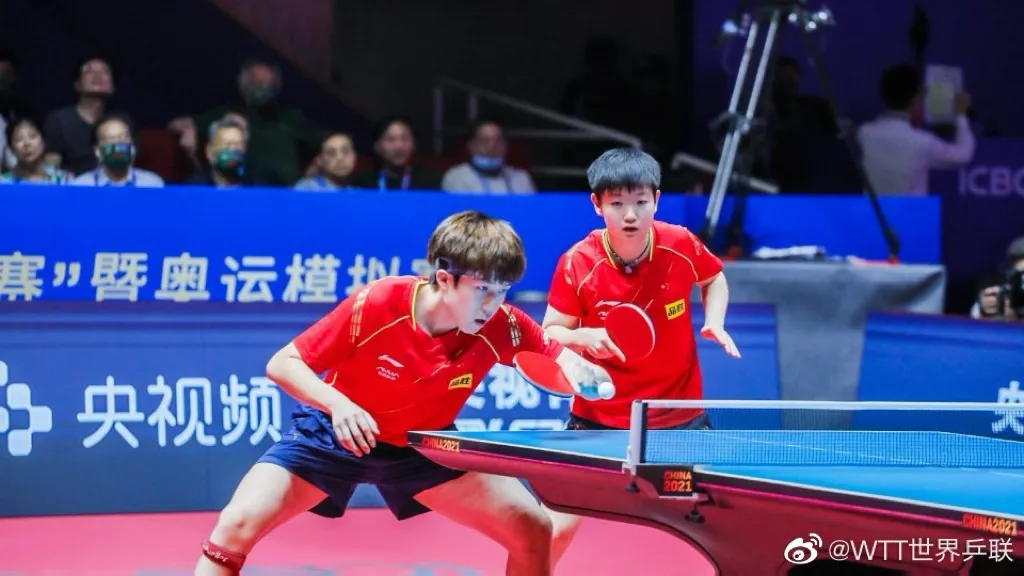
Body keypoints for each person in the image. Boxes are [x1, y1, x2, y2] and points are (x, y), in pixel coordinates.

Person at [195, 210, 613, 576]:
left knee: (532, 528)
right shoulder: (378, 303)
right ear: (445, 279)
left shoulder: (503, 324)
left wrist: (589, 371)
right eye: (483, 289)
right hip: (334, 436)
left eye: (503, 290)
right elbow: (282, 364)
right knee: (234, 526)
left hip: (422, 446)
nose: (493, 303)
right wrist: (338, 405)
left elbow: (559, 356)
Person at [539, 148, 741, 565]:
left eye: (640, 202)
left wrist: (715, 320)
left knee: (727, 527)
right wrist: (583, 335)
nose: (630, 214)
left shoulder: (680, 243)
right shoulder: (578, 262)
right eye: (616, 203)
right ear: (597, 205)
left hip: (679, 419)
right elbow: (550, 331)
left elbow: (715, 277)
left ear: (657, 200)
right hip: (598, 420)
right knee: (554, 528)